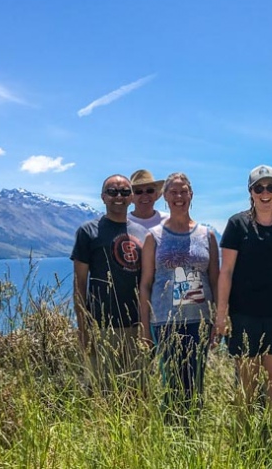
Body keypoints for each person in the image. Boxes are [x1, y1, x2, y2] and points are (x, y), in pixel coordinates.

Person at [215, 165, 272, 404]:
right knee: (247, 384)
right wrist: (221, 314)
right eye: (259, 188)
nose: (265, 192)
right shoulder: (238, 224)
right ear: (251, 192)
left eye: (271, 187)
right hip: (244, 312)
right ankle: (246, 436)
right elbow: (226, 271)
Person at [139, 173, 218, 408]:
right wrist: (145, 327)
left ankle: (194, 433)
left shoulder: (207, 235)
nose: (179, 196)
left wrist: (217, 320)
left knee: (196, 382)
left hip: (199, 320)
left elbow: (215, 280)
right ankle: (172, 434)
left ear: (191, 195)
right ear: (165, 196)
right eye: (173, 192)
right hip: (165, 321)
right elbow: (145, 284)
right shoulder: (153, 237)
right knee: (171, 382)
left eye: (184, 191)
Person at [71, 174, 148, 384]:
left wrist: (146, 324)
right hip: (102, 326)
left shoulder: (142, 233)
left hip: (136, 325)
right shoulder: (88, 231)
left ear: (131, 197)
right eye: (112, 191)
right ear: (103, 197)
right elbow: (79, 284)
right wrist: (83, 328)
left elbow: (147, 281)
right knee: (103, 390)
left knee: (138, 389)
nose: (118, 196)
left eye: (124, 192)